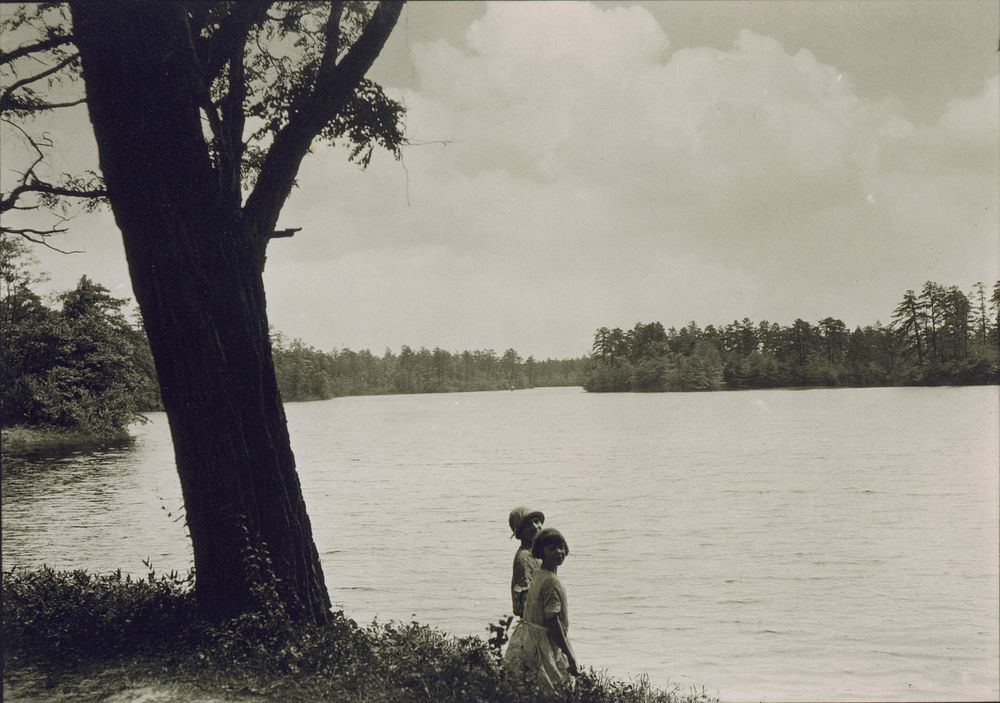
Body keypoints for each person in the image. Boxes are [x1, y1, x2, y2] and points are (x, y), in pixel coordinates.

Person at [503, 527, 578, 696]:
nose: (559, 552)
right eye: (552, 549)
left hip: (529, 638)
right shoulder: (551, 583)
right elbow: (553, 621)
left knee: (529, 689)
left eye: (561, 547)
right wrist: (568, 654)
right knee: (555, 690)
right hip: (545, 644)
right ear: (541, 553)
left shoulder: (539, 574)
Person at [508, 506, 545, 617]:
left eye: (536, 522)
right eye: (528, 525)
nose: (535, 527)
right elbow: (526, 601)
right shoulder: (524, 558)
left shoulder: (537, 554)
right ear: (520, 534)